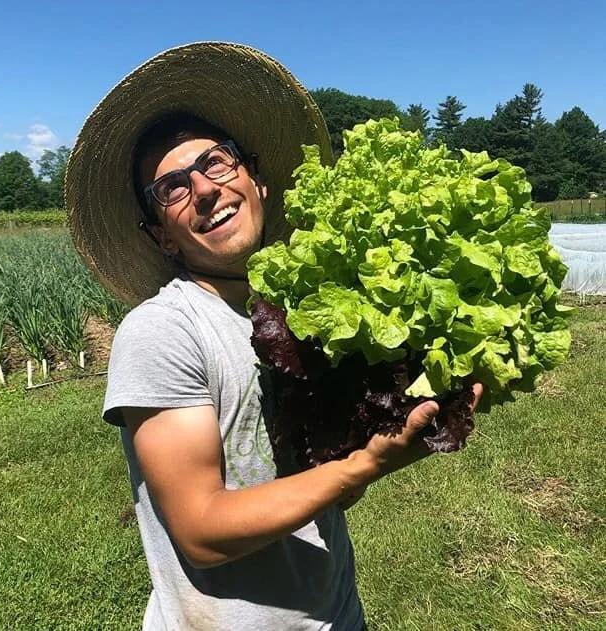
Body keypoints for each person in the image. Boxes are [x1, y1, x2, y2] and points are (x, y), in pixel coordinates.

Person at [66, 42, 481, 630]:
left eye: (216, 162)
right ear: (161, 236)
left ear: (255, 180)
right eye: (172, 189)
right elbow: (202, 531)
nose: (204, 189)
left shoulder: (302, 317)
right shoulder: (163, 331)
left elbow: (323, 485)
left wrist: (387, 432)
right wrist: (366, 466)